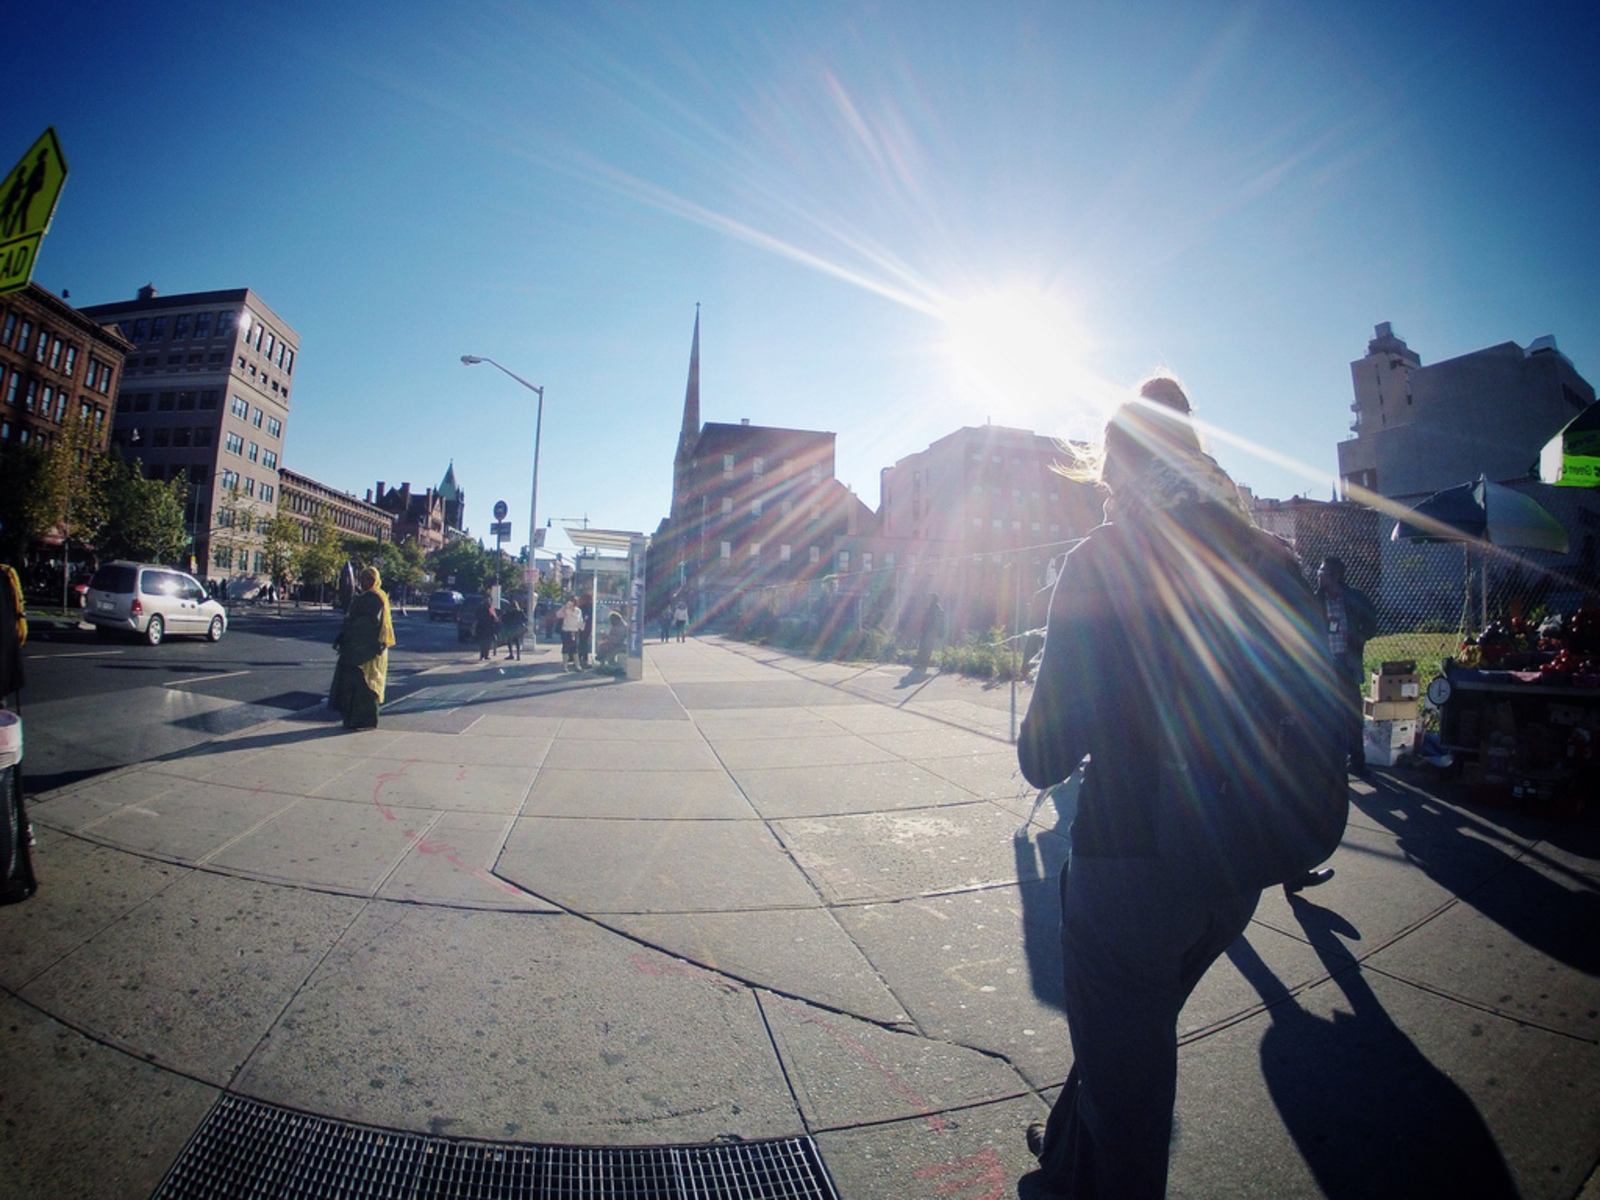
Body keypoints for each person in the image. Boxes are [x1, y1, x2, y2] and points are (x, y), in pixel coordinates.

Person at [1016, 377, 1301, 1199]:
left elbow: (1043, 754)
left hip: (1130, 865)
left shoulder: (1106, 559)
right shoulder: (1271, 560)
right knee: (1126, 1037)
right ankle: (1066, 1158)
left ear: (1120, 468)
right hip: (1236, 866)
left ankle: (1102, 1172)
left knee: (1134, 1092)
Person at [329, 566, 395, 731]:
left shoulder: (375, 597)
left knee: (365, 686)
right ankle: (351, 719)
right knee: (350, 686)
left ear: (375, 581)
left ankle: (363, 720)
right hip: (355, 650)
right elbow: (352, 620)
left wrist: (353, 636)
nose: (366, 582)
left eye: (369, 579)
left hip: (368, 651)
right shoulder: (366, 596)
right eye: (364, 578)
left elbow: (370, 623)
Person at [914, 593, 945, 670]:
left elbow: (938, 621)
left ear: (934, 599)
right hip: (927, 630)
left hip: (931, 631)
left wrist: (937, 631)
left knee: (927, 647)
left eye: (930, 598)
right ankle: (920, 663)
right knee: (922, 646)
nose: (928, 599)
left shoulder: (937, 608)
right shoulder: (930, 607)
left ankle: (923, 664)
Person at [559, 597, 584, 671]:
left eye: (574, 603)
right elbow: (558, 615)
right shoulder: (566, 610)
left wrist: (582, 627)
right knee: (565, 648)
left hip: (574, 631)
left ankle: (577, 666)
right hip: (566, 631)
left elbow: (580, 620)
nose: (572, 604)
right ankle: (565, 666)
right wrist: (564, 608)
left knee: (575, 649)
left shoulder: (578, 611)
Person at [473, 595, 500, 662]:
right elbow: (494, 617)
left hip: (485, 627)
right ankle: (484, 655)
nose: (488, 601)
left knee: (485, 642)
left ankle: (484, 655)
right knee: (485, 642)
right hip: (486, 627)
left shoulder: (483, 607)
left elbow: (494, 617)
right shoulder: (488, 608)